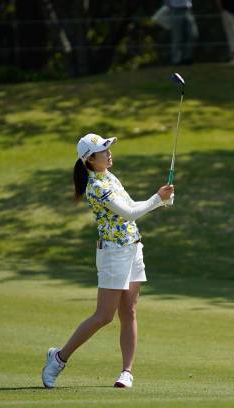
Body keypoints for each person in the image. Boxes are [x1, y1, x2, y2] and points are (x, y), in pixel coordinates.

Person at [42, 133, 174, 389]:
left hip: (133, 248)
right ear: (90, 159)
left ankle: (127, 372)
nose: (109, 153)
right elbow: (129, 212)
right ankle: (58, 358)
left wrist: (161, 201)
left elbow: (133, 206)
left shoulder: (109, 177)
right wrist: (157, 199)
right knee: (104, 316)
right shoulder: (96, 186)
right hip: (113, 253)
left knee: (130, 312)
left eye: (108, 148)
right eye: (103, 150)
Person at [166, 0, 199, 65]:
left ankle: (187, 58)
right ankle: (176, 61)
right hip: (175, 10)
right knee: (177, 38)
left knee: (193, 34)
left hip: (188, 10)